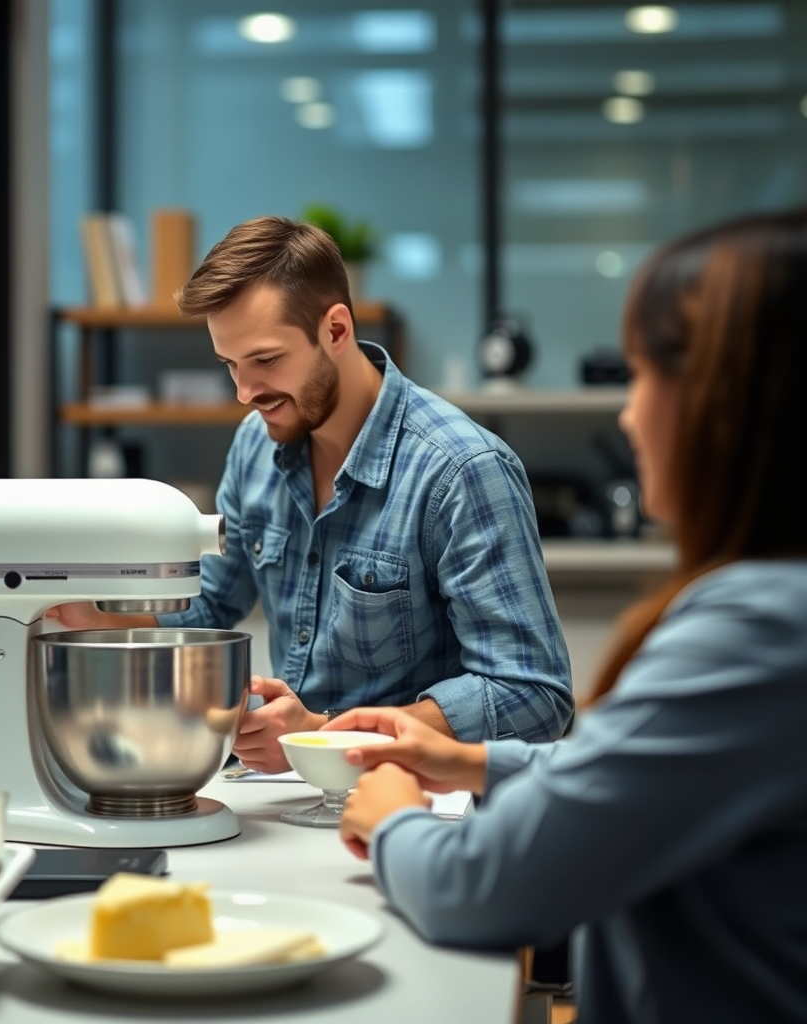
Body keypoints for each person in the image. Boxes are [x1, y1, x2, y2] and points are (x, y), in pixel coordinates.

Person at [331, 207, 807, 1023]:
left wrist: (397, 824)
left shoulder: (761, 628)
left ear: (729, 403)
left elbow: (486, 887)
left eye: (643, 376)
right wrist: (468, 761)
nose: (627, 414)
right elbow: (641, 778)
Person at [52, 215, 572, 772]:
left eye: (266, 361)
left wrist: (325, 736)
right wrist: (97, 617)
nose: (245, 393)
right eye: (230, 365)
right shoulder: (255, 445)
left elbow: (533, 694)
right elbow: (211, 602)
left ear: (337, 330)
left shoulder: (462, 470)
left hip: (411, 799)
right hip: (291, 794)